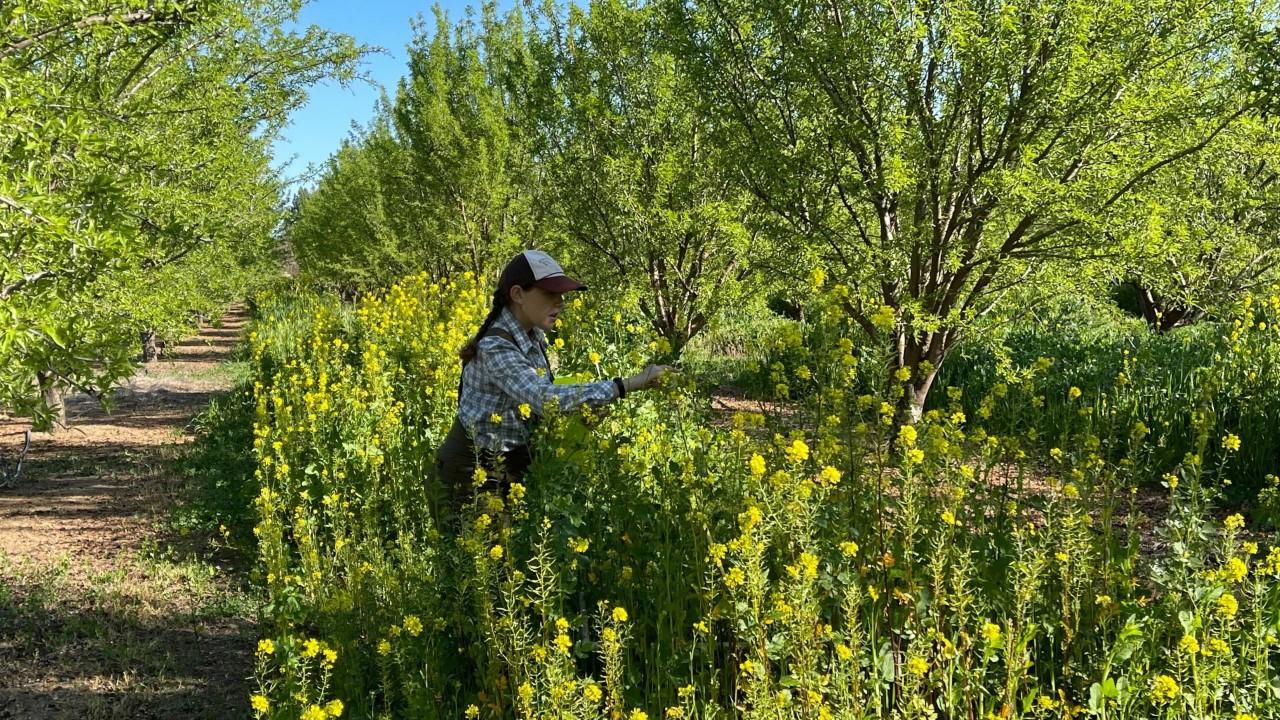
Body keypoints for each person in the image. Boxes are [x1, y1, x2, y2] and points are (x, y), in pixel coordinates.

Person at [434, 249, 671, 514]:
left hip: (508, 463)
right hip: (472, 471)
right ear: (517, 294)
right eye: (549, 293)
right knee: (477, 553)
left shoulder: (532, 333)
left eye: (561, 294)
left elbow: (532, 404)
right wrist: (627, 384)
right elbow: (543, 398)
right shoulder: (496, 347)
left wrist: (579, 416)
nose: (560, 301)